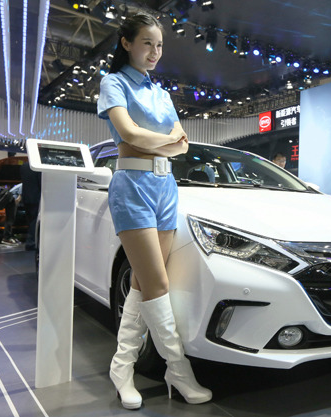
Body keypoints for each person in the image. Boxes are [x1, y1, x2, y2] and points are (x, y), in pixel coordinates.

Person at [97, 12, 211, 410]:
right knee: (158, 283)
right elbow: (127, 134)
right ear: (127, 43)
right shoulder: (113, 83)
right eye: (147, 42)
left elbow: (184, 145)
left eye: (159, 45)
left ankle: (121, 367)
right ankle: (178, 370)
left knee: (146, 284)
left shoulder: (161, 93)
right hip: (132, 188)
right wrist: (166, 142)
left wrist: (162, 143)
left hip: (166, 188)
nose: (155, 52)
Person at [20, 161, 41, 251]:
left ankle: (30, 241)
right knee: (34, 221)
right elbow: (40, 183)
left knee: (30, 221)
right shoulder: (37, 166)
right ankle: (31, 242)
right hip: (36, 198)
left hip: (26, 197)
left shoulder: (24, 166)